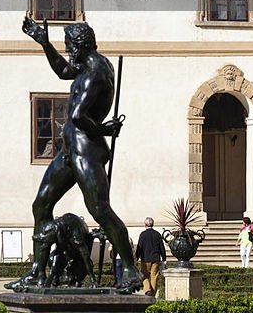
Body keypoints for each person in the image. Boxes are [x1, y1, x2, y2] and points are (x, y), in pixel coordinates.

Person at [16, 17, 142, 292]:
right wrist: (44, 43)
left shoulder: (97, 70)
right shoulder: (87, 65)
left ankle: (132, 272)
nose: (68, 51)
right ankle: (37, 272)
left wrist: (103, 129)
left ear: (78, 45)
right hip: (69, 149)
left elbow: (78, 115)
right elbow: (63, 71)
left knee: (100, 210)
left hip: (85, 149)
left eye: (68, 45)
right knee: (41, 205)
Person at [136, 217, 166, 297]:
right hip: (156, 258)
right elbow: (161, 247)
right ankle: (152, 295)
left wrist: (136, 257)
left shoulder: (142, 234)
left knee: (144, 275)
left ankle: (147, 290)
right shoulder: (157, 234)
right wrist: (164, 259)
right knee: (154, 276)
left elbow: (139, 247)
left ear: (145, 225)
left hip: (145, 259)